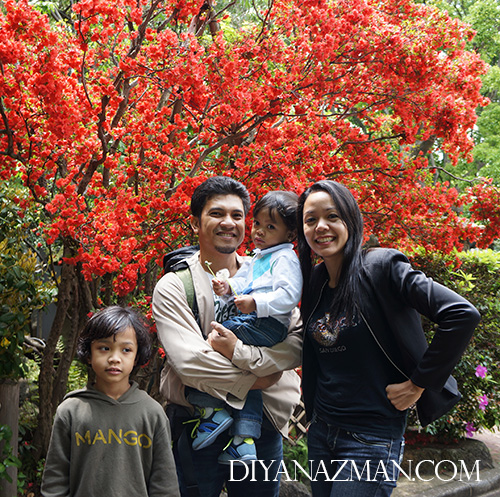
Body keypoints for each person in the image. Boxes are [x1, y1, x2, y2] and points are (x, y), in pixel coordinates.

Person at [296, 180, 480, 497]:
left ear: (350, 220)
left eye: (332, 216)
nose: (321, 227)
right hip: (323, 429)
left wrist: (418, 384)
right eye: (311, 219)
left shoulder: (382, 267)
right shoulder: (315, 280)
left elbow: (462, 314)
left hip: (371, 436)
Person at [152, 176, 302, 497]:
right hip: (199, 425)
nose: (228, 223)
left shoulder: (268, 271)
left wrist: (241, 354)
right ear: (196, 223)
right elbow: (191, 362)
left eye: (237, 215)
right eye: (216, 213)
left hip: (261, 427)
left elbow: (297, 343)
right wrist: (258, 378)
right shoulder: (175, 286)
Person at [185, 191, 303, 462]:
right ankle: (245, 439)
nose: (259, 231)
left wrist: (256, 303)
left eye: (270, 227)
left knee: (214, 341)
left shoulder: (285, 259)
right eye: (258, 223)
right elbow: (245, 282)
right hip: (258, 321)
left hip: (268, 324)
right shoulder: (262, 256)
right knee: (244, 370)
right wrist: (228, 287)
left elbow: (289, 296)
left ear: (290, 235)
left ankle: (213, 411)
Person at [41, 306, 180, 497]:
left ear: (136, 356)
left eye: (126, 350)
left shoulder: (152, 413)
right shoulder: (71, 411)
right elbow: (55, 481)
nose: (114, 358)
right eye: (104, 348)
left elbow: (165, 484)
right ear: (89, 354)